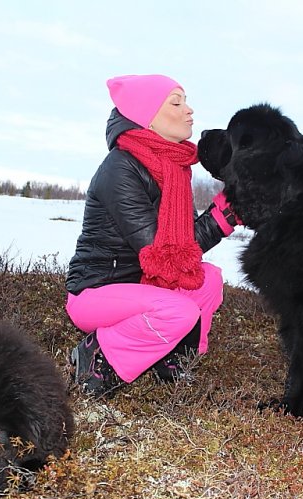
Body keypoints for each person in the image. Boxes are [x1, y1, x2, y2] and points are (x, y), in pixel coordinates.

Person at [65, 74, 240, 396]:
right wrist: (226, 214)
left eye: (185, 100)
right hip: (98, 292)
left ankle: (171, 357)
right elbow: (163, 251)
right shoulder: (120, 168)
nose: (189, 110)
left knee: (209, 280)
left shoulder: (172, 166)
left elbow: (181, 240)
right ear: (147, 117)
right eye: (176, 102)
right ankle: (97, 355)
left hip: (143, 285)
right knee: (178, 310)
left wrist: (232, 209)